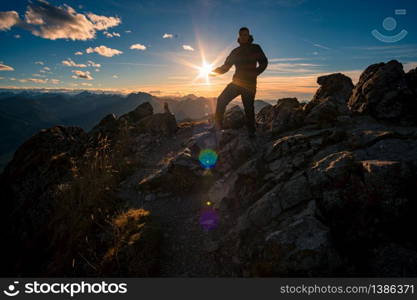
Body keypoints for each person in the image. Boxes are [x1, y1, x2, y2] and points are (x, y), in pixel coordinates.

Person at [210, 27, 268, 138]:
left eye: (246, 34)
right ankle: (217, 126)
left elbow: (264, 62)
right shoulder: (235, 52)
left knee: (249, 107)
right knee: (221, 99)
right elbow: (225, 67)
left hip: (249, 84)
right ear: (239, 36)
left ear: (249, 35)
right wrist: (213, 73)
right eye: (242, 35)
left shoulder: (256, 48)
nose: (244, 36)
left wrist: (255, 73)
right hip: (236, 83)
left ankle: (251, 131)